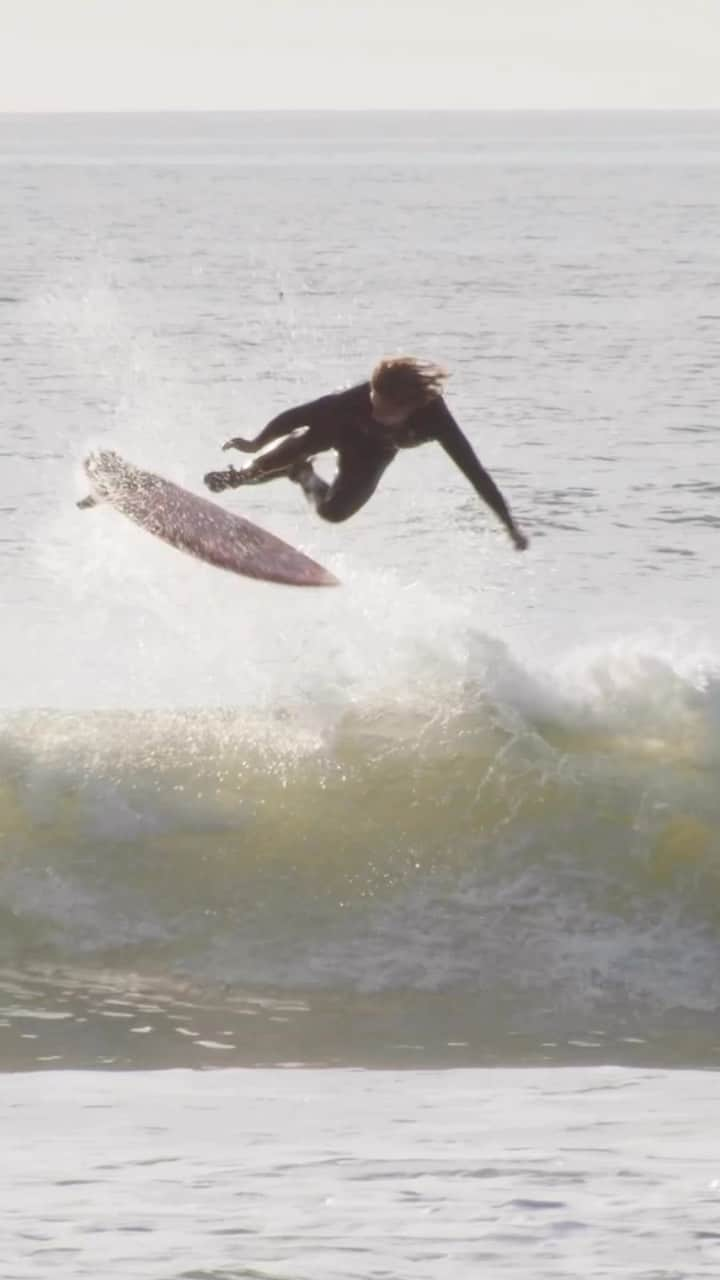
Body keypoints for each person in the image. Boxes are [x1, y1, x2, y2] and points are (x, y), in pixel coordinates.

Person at [204, 357, 528, 550]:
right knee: (304, 440)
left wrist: (508, 523)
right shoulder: (355, 402)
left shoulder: (437, 422)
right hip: (340, 430)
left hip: (375, 452)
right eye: (373, 398)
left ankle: (301, 473)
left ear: (409, 408)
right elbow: (297, 416)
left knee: (333, 513)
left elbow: (475, 473)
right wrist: (255, 442)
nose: (373, 409)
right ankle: (238, 476)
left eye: (384, 409)